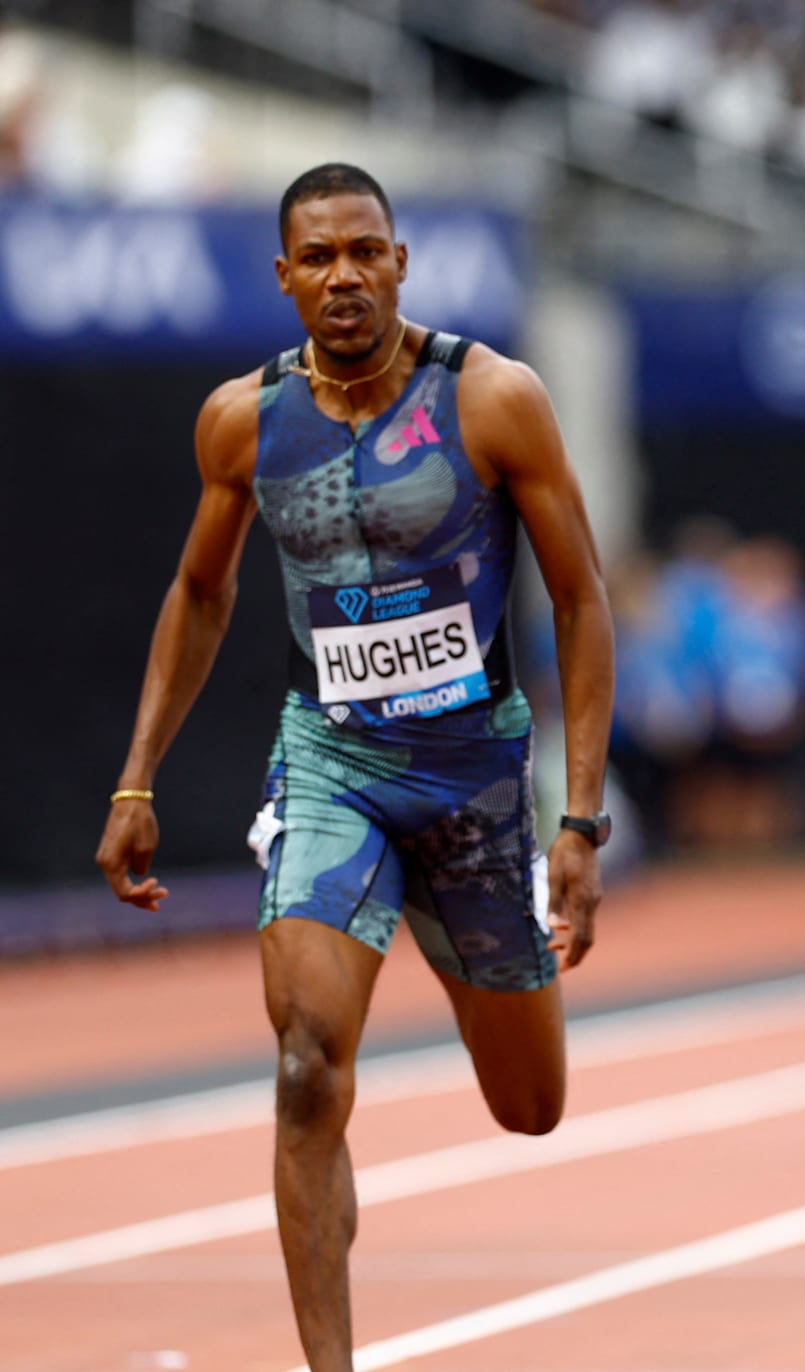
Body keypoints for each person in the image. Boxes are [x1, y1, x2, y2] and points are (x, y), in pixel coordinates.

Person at [92, 164, 616, 1372]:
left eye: (364, 251)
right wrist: (136, 779)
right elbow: (200, 590)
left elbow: (583, 603)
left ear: (399, 261)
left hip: (475, 779)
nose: (343, 276)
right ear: (283, 277)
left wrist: (579, 816)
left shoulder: (493, 399)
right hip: (332, 763)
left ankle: (463, 939)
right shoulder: (242, 420)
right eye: (317, 257)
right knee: (305, 1063)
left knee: (529, 1107)